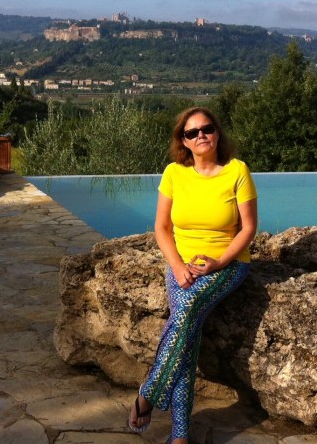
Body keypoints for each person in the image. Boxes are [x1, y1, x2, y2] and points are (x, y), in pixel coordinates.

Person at [127, 107, 258, 443]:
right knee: (188, 332)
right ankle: (181, 436)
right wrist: (177, 266)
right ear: (183, 141)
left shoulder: (237, 171)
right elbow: (161, 227)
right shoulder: (174, 173)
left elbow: (248, 228)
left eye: (207, 129)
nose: (201, 135)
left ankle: (149, 392)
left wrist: (218, 262)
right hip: (181, 266)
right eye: (192, 132)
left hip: (227, 264)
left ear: (217, 133)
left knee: (185, 314)